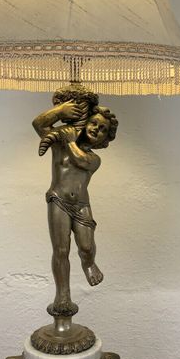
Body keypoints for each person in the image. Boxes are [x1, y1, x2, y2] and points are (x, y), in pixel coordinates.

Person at [33, 100, 118, 315]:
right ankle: (63, 295)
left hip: (81, 205)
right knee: (61, 250)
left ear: (105, 139)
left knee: (86, 247)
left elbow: (81, 161)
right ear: (85, 122)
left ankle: (88, 263)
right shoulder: (60, 144)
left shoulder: (94, 159)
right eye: (94, 123)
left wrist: (71, 141)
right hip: (58, 200)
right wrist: (60, 111)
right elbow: (39, 124)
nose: (96, 129)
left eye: (102, 129)